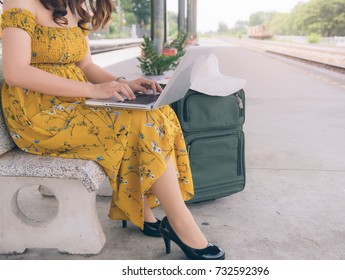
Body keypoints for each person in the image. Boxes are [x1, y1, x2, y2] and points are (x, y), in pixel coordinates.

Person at [1, 0, 224, 260]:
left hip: (75, 101)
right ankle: (180, 223)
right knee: (142, 123)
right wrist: (93, 91)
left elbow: (85, 67)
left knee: (158, 112)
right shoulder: (22, 2)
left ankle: (143, 208)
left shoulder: (73, 6)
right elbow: (15, 72)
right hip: (38, 115)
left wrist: (123, 84)